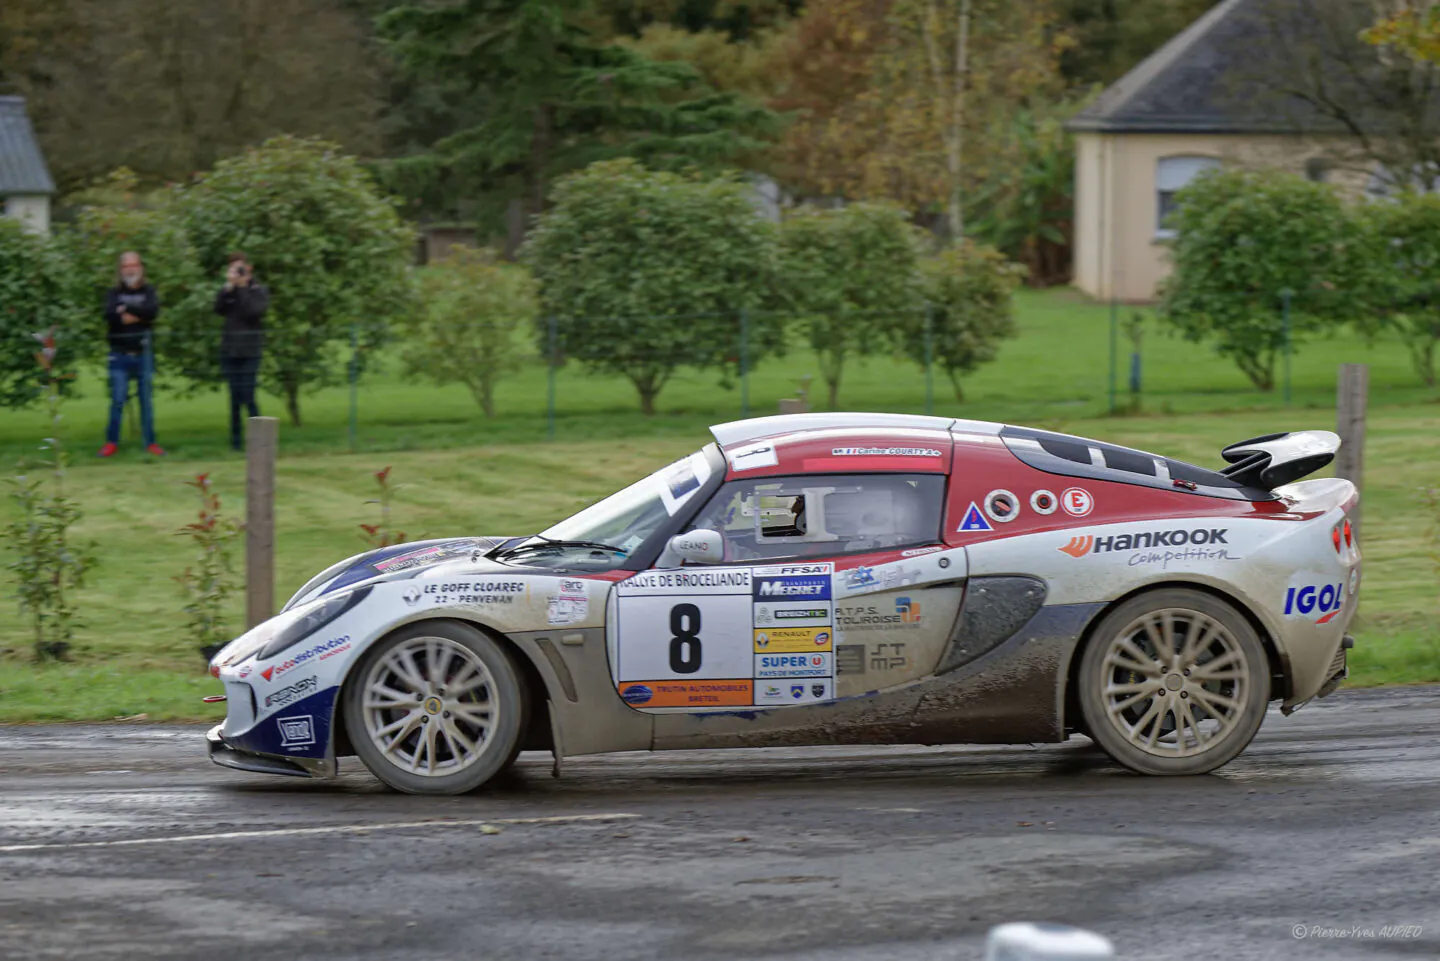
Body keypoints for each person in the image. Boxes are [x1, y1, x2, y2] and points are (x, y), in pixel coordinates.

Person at [100, 251, 165, 457]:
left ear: (141, 267)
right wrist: (138, 314)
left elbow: (152, 313)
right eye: (126, 266)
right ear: (121, 270)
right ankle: (111, 442)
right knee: (118, 399)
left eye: (134, 265)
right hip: (118, 354)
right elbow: (109, 315)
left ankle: (150, 443)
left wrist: (127, 309)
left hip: (143, 353)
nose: (131, 269)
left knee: (146, 400)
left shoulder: (149, 291)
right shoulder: (113, 293)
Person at [214, 251, 270, 451]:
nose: (237, 272)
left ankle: (260, 439)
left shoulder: (258, 290)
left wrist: (244, 287)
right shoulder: (230, 291)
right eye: (233, 269)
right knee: (234, 397)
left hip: (250, 350)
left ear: (249, 268)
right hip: (230, 350)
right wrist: (228, 288)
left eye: (240, 268)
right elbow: (218, 309)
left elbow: (253, 312)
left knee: (248, 394)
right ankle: (236, 442)